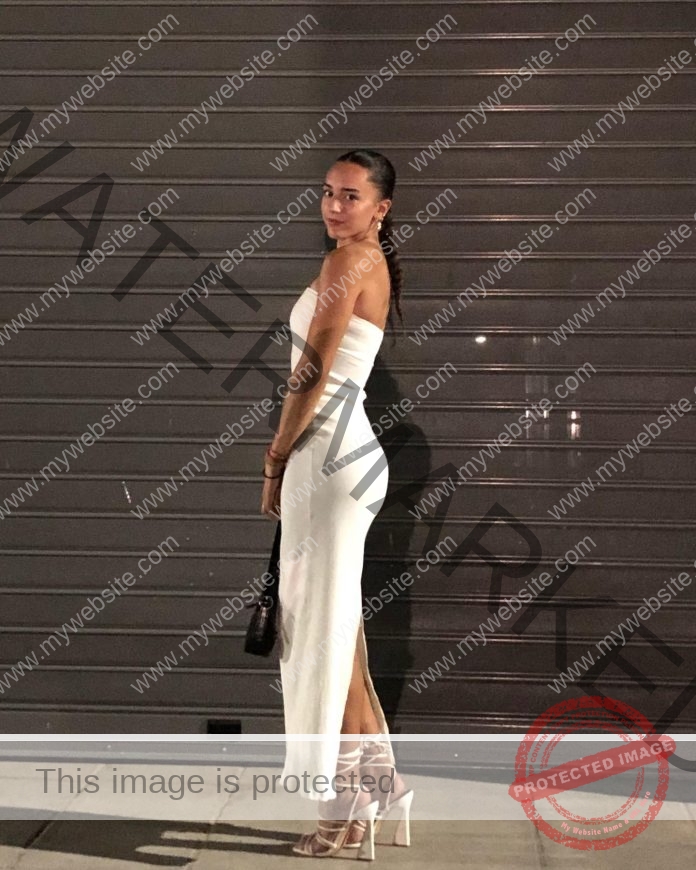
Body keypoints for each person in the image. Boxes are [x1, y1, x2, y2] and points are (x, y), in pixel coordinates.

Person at [260, 149, 413, 859]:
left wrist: (274, 458)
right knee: (336, 635)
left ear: (381, 207)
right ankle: (372, 791)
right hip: (347, 459)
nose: (333, 206)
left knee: (316, 639)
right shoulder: (367, 264)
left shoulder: (348, 264)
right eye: (326, 192)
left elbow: (312, 371)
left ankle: (338, 805)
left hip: (326, 458)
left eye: (350, 196)